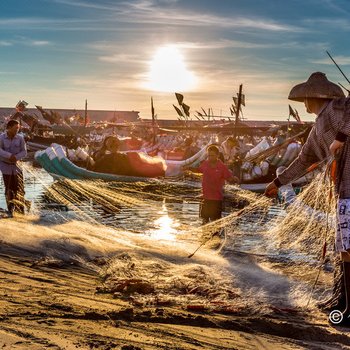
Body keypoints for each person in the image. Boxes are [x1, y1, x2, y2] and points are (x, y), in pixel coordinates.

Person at [264, 72, 350, 322]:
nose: (304, 104)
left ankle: (348, 310)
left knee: (347, 249)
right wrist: (278, 182)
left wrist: (341, 138)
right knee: (343, 248)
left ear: (311, 98)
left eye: (305, 100)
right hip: (342, 192)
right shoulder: (318, 127)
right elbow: (303, 160)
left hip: (349, 189)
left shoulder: (336, 108)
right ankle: (341, 301)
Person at [196, 144, 239, 224]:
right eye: (208, 155)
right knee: (204, 221)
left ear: (217, 155)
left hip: (216, 199)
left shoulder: (222, 167)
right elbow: (198, 170)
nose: (210, 157)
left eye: (212, 155)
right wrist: (187, 169)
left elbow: (229, 178)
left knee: (215, 222)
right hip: (205, 198)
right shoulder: (205, 164)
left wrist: (235, 179)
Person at [0, 119, 28, 217]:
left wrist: (15, 157)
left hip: (17, 167)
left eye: (18, 128)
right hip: (5, 167)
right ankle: (11, 210)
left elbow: (24, 152)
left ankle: (21, 210)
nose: (17, 130)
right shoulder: (1, 138)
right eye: (15, 128)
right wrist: (9, 155)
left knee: (20, 189)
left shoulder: (20, 138)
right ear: (9, 128)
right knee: (9, 189)